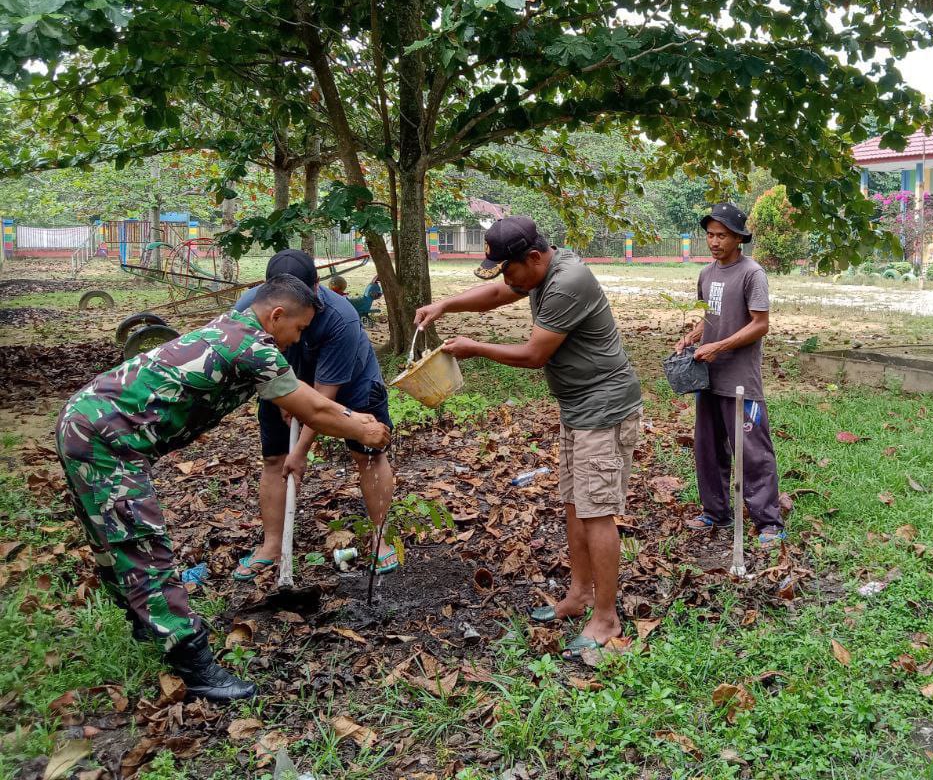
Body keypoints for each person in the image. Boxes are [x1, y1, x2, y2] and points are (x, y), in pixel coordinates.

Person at [55, 275, 391, 702]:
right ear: (277, 316)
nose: (298, 339)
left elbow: (298, 398)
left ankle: (146, 621)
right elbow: (318, 410)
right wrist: (364, 426)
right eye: (300, 329)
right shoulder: (253, 347)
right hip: (106, 439)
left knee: (109, 540)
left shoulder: (230, 328)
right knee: (141, 546)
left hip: (83, 419)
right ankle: (193, 663)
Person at [414, 217, 642, 658]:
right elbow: (501, 293)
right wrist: (445, 305)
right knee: (577, 504)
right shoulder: (540, 273)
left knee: (597, 512)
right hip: (578, 405)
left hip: (605, 406)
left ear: (533, 258)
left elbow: (535, 355)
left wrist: (473, 347)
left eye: (508, 267)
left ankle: (606, 617)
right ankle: (579, 595)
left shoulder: (567, 282)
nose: (505, 277)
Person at [232, 250, 398, 580]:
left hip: (349, 383)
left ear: (316, 287)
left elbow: (323, 400)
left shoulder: (341, 318)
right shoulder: (247, 309)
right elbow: (247, 359)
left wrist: (302, 451)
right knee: (275, 459)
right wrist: (282, 396)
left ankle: (381, 539)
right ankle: (272, 545)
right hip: (280, 378)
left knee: (367, 454)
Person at [675, 203, 786, 545]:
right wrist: (692, 336)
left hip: (741, 382)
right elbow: (708, 316)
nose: (714, 241)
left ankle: (769, 522)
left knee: (752, 452)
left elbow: (761, 325)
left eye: (721, 235)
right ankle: (716, 512)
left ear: (739, 238)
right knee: (708, 449)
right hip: (706, 378)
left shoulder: (753, 274)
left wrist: (719, 347)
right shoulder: (706, 274)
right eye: (709, 234)